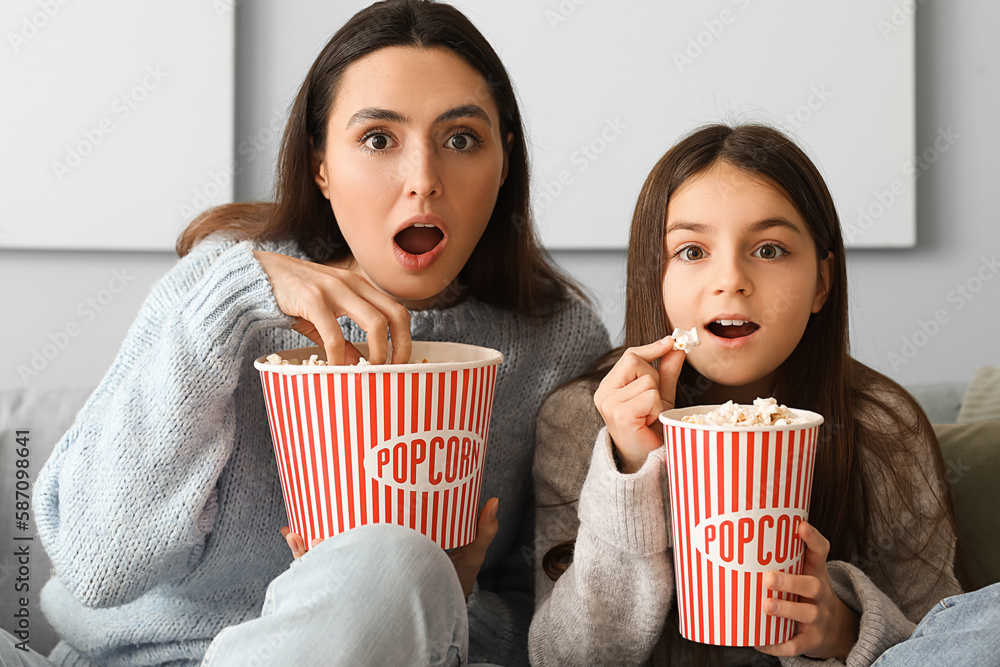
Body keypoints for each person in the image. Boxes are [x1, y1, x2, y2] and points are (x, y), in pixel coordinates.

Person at [2, 2, 609, 666]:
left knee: (393, 567)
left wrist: (445, 597)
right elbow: (99, 565)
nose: (423, 181)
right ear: (321, 164)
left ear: (503, 161)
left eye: (461, 138)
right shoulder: (222, 287)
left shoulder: (556, 342)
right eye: (379, 139)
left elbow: (556, 623)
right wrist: (232, 305)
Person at [528, 124, 963, 666]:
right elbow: (566, 658)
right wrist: (632, 469)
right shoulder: (581, 420)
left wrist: (845, 631)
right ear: (653, 277)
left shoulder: (883, 430)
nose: (730, 279)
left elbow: (950, 638)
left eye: (770, 249)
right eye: (691, 251)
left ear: (822, 284)